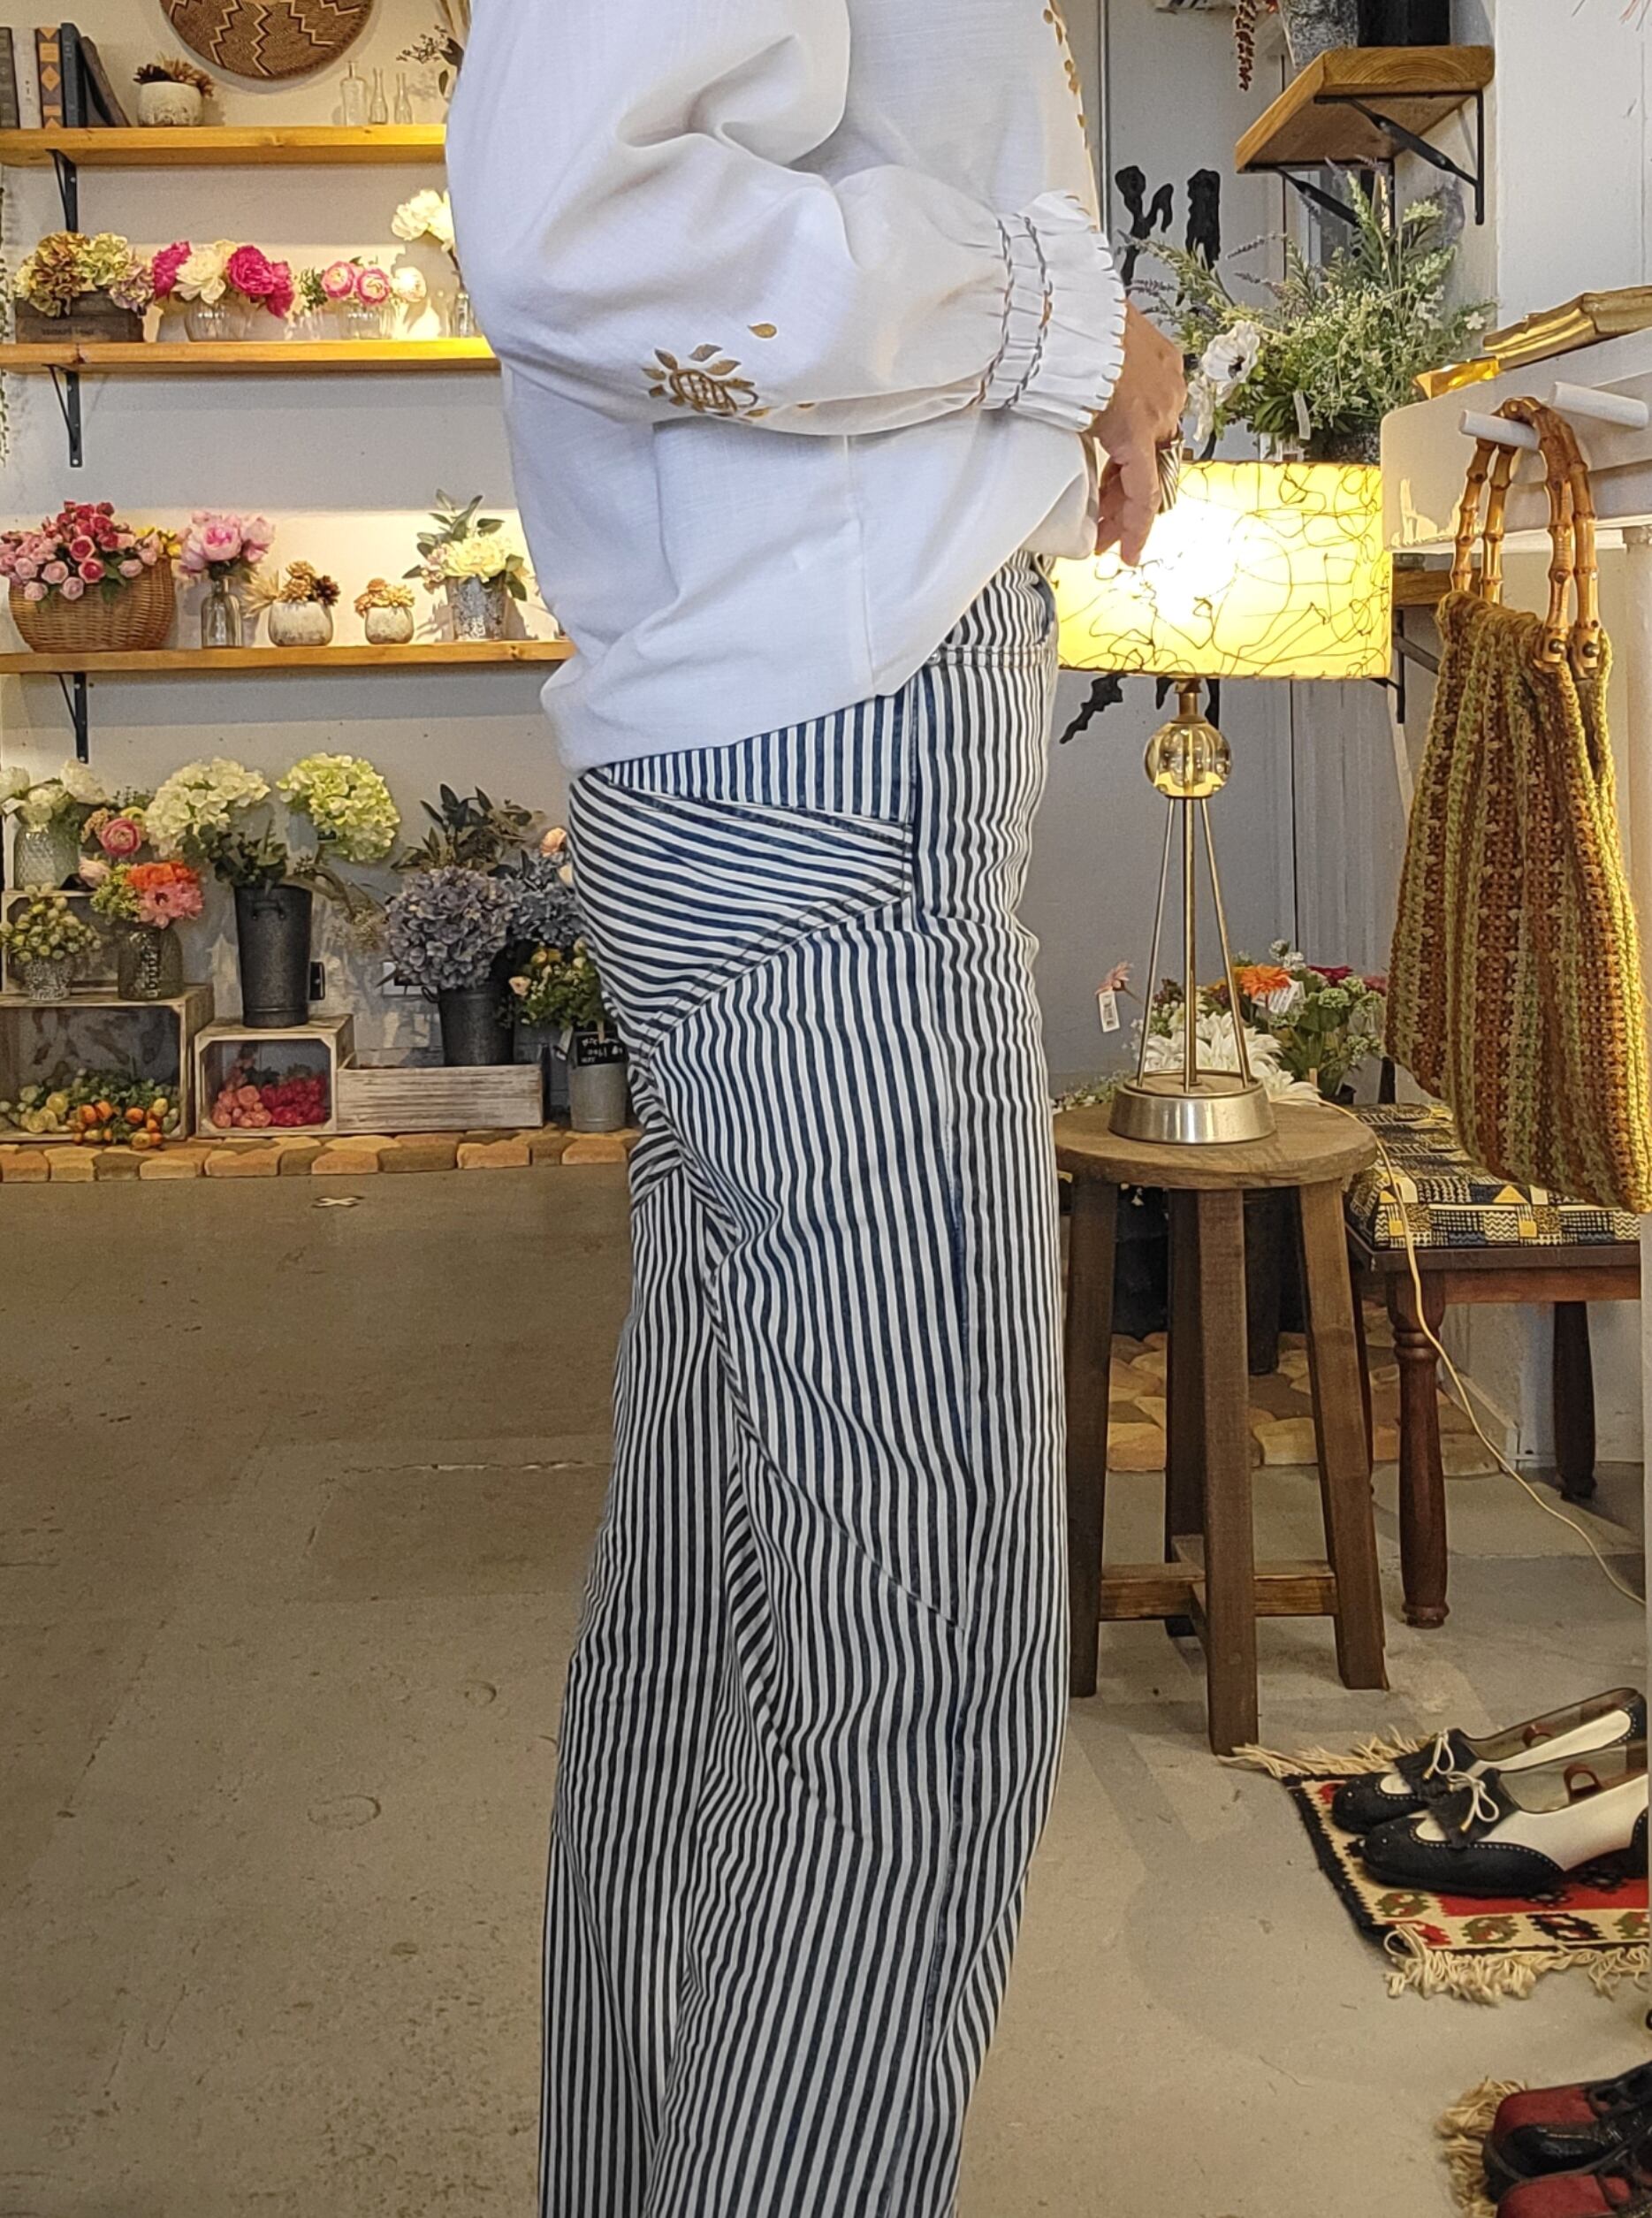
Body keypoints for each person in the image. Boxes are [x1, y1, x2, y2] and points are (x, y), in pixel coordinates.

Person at [448, 6, 1186, 2213]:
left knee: (723, 1620)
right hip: (830, 772)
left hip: (791, 746)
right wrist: (1067, 322)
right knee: (909, 1675)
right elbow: (575, 221)